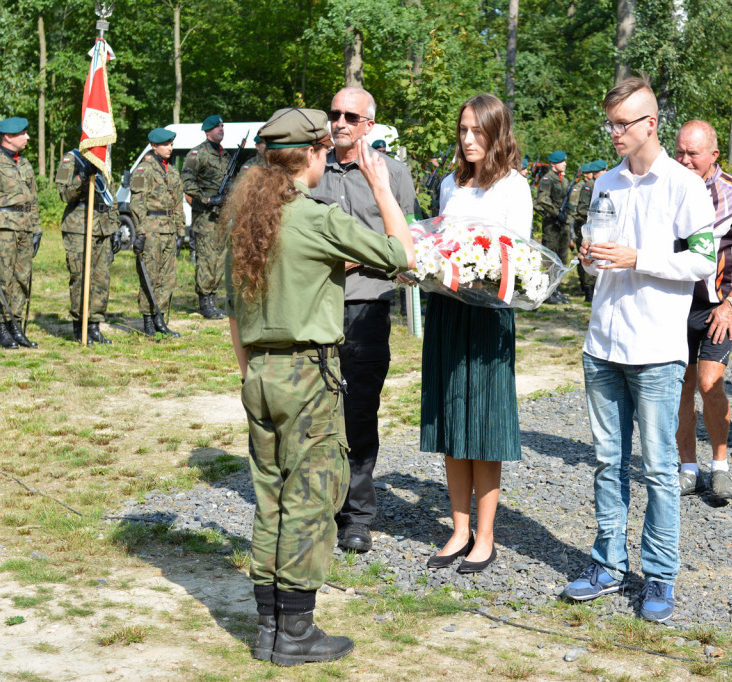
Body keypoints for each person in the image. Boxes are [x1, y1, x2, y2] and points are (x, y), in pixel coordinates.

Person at [225, 107, 414, 666]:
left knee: (271, 499)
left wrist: (249, 370)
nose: (328, 158)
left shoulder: (248, 219)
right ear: (310, 154)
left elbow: (233, 313)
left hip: (259, 372)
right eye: (324, 150)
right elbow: (399, 254)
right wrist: (382, 189)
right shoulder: (316, 217)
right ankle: (297, 632)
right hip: (308, 375)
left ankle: (268, 627)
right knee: (310, 501)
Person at [561, 77, 715, 623]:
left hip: (655, 346)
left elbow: (702, 262)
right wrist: (587, 257)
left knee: (657, 466)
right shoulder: (606, 182)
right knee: (607, 461)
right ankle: (607, 563)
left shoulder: (684, 186)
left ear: (652, 123)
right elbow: (597, 257)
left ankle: (660, 577)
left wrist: (639, 258)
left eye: (624, 124)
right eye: (611, 123)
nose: (615, 133)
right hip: (602, 342)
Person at [420, 93, 532, 574]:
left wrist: (480, 271)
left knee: (483, 423)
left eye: (477, 131)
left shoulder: (514, 186)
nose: (468, 139)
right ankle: (458, 528)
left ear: (496, 132)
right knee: (451, 419)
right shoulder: (451, 183)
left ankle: (485, 535)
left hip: (489, 315)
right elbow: (441, 238)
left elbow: (520, 259)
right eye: (463, 130)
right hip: (448, 310)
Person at [311, 86, 418, 554]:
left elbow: (408, 246)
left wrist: (358, 260)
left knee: (359, 412)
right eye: (334, 113)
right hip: (314, 305)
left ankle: (356, 515)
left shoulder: (394, 173)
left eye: (350, 116)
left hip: (367, 307)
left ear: (369, 125)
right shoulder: (311, 169)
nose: (339, 122)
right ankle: (317, 507)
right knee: (314, 413)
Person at [673, 120, 732, 500]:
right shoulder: (668, 187)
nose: (684, 160)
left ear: (713, 155)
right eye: (679, 151)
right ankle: (688, 467)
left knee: (711, 385)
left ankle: (721, 466)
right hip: (675, 305)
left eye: (692, 153)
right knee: (681, 387)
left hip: (718, 305)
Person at [0, 116, 42, 349]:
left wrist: (37, 228)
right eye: (23, 133)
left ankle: (16, 325)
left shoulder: (25, 164)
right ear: (8, 137)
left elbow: (34, 199)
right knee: (4, 278)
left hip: (25, 228)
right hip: (4, 229)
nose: (27, 137)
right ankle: (1, 327)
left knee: (22, 278)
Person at [55, 148, 120, 344]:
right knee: (81, 276)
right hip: (79, 225)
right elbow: (63, 194)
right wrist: (82, 176)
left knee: (101, 279)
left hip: (103, 226)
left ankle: (94, 325)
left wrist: (115, 227)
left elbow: (112, 197)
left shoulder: (103, 160)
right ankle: (79, 325)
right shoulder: (70, 160)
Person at [130, 128, 186, 338]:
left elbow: (178, 203)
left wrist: (181, 231)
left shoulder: (171, 171)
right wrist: (141, 232)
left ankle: (160, 318)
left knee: (168, 277)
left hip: (169, 229)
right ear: (154, 146)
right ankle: (147, 320)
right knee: (150, 276)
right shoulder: (144, 170)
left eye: (171, 144)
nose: (170, 148)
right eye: (166, 145)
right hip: (152, 229)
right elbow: (137, 202)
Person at [182, 114, 230, 319]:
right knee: (206, 257)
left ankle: (212, 298)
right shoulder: (197, 154)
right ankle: (204, 301)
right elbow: (186, 181)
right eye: (217, 127)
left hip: (223, 214)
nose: (221, 129)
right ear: (208, 130)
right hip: (205, 215)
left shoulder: (225, 155)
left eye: (222, 126)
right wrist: (208, 199)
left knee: (220, 258)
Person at [534, 150, 570, 303]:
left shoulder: (565, 180)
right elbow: (542, 199)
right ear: (554, 164)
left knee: (562, 258)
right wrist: (556, 213)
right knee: (551, 258)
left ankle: (556, 290)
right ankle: (547, 293)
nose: (565, 164)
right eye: (562, 162)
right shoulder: (547, 179)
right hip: (551, 223)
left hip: (563, 223)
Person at [571, 161, 596, 301]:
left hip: (584, 224)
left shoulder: (592, 185)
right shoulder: (587, 186)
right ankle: (587, 290)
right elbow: (579, 209)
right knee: (585, 256)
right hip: (583, 225)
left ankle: (588, 289)